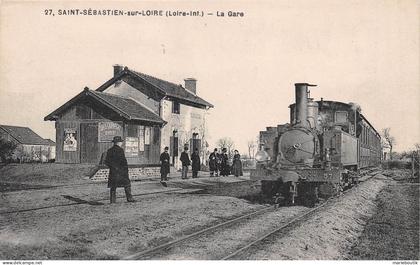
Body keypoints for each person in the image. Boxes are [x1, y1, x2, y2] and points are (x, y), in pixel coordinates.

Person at [105, 136, 135, 203]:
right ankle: (129, 198)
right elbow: (123, 161)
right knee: (127, 184)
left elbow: (107, 161)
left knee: (113, 186)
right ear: (118, 143)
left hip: (113, 171)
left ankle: (112, 201)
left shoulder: (109, 150)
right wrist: (125, 169)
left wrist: (113, 167)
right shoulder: (120, 150)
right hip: (121, 171)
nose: (121, 143)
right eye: (121, 142)